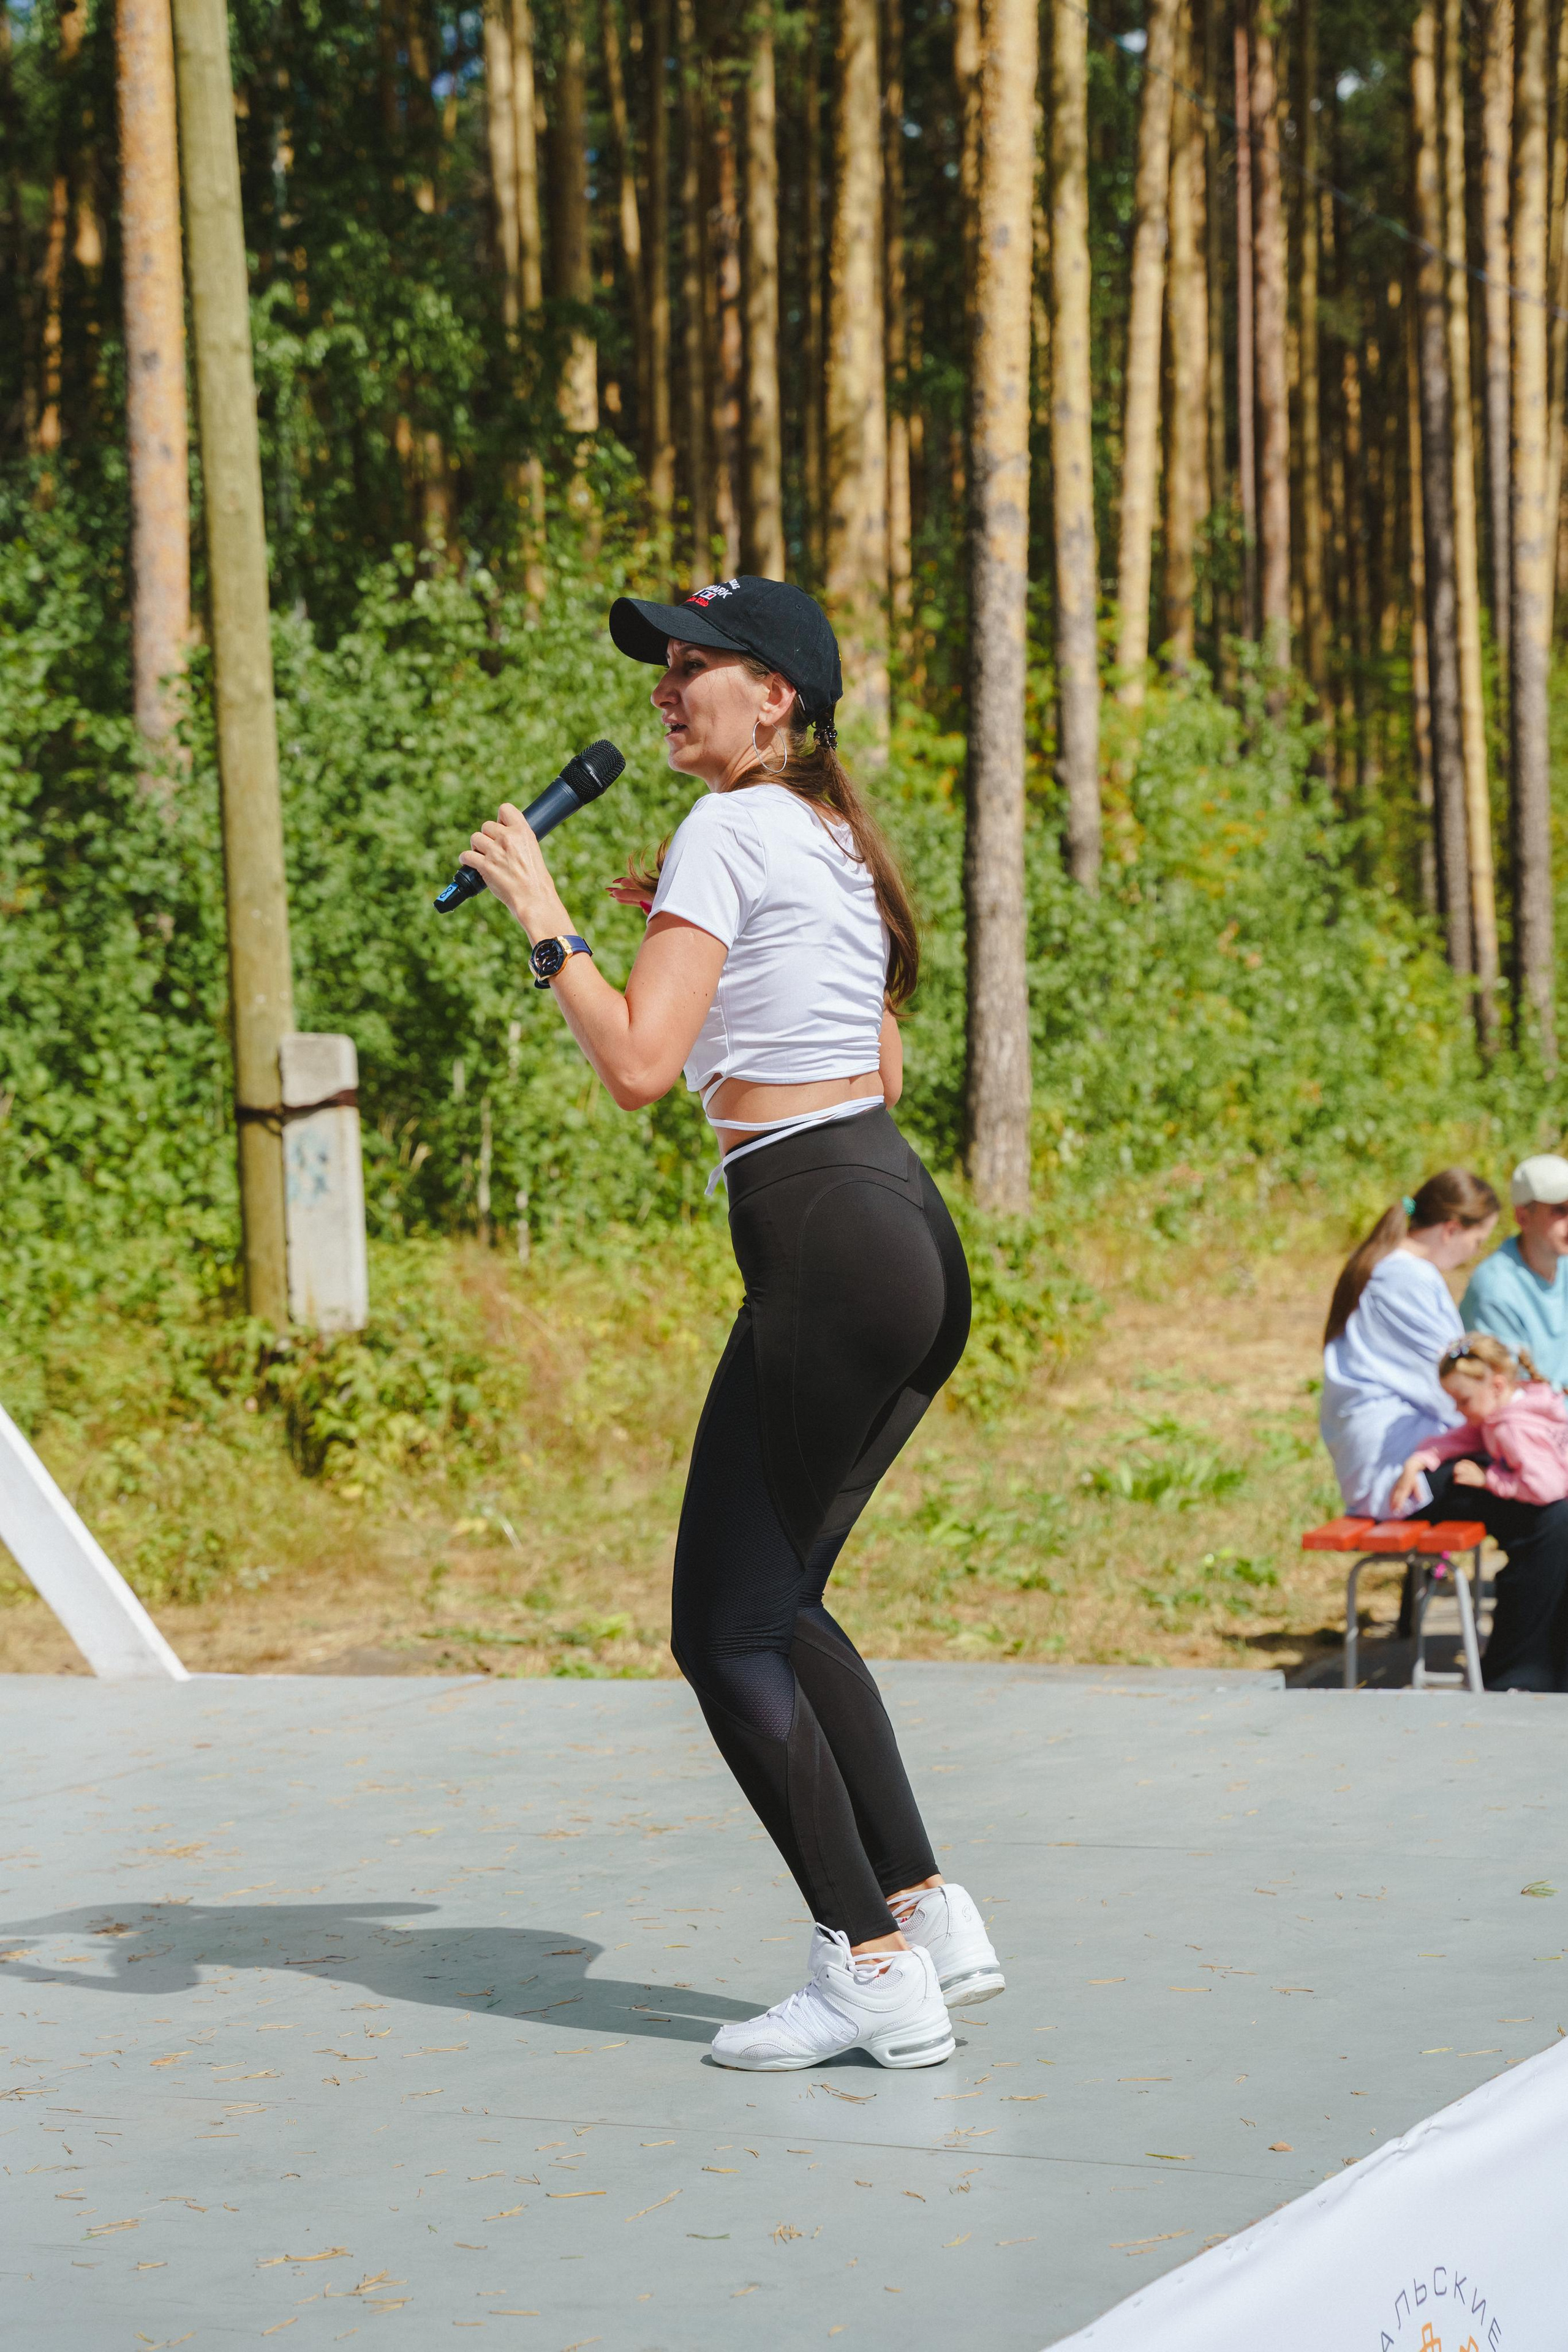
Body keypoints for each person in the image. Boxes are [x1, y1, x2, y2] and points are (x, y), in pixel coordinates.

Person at [459, 575, 1000, 2071]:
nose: (662, 688)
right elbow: (873, 1064)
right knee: (785, 1602)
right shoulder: (825, 837)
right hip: (899, 1230)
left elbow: (639, 1064)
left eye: (691, 665)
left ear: (776, 697)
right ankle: (925, 1909)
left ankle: (871, 1965)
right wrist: (691, 929)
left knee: (720, 1630)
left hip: (825, 1242)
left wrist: (548, 925)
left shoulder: (725, 830)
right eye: (662, 665)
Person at [1321, 1169, 1568, 1689]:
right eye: (1477, 1239)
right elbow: (1458, 1391)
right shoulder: (1403, 1277)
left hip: (1417, 1455)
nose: (1474, 1252)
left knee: (1552, 1507)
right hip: (1398, 1475)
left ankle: (1543, 1662)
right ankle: (1519, 1671)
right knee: (1548, 1513)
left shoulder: (1400, 1269)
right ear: (1452, 1228)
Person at [1390, 1334, 1568, 1511]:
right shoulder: (1517, 1408)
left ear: (1497, 1387)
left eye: (1464, 1400)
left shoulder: (1511, 1430)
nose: (1457, 1409)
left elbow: (1546, 1489)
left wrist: (1488, 1479)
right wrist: (1420, 1460)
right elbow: (1462, 1439)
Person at [1458, 1155, 1568, 1390]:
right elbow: (1514, 1396)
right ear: (1523, 1218)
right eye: (1560, 1211)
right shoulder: (1496, 1290)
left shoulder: (1564, 1263)